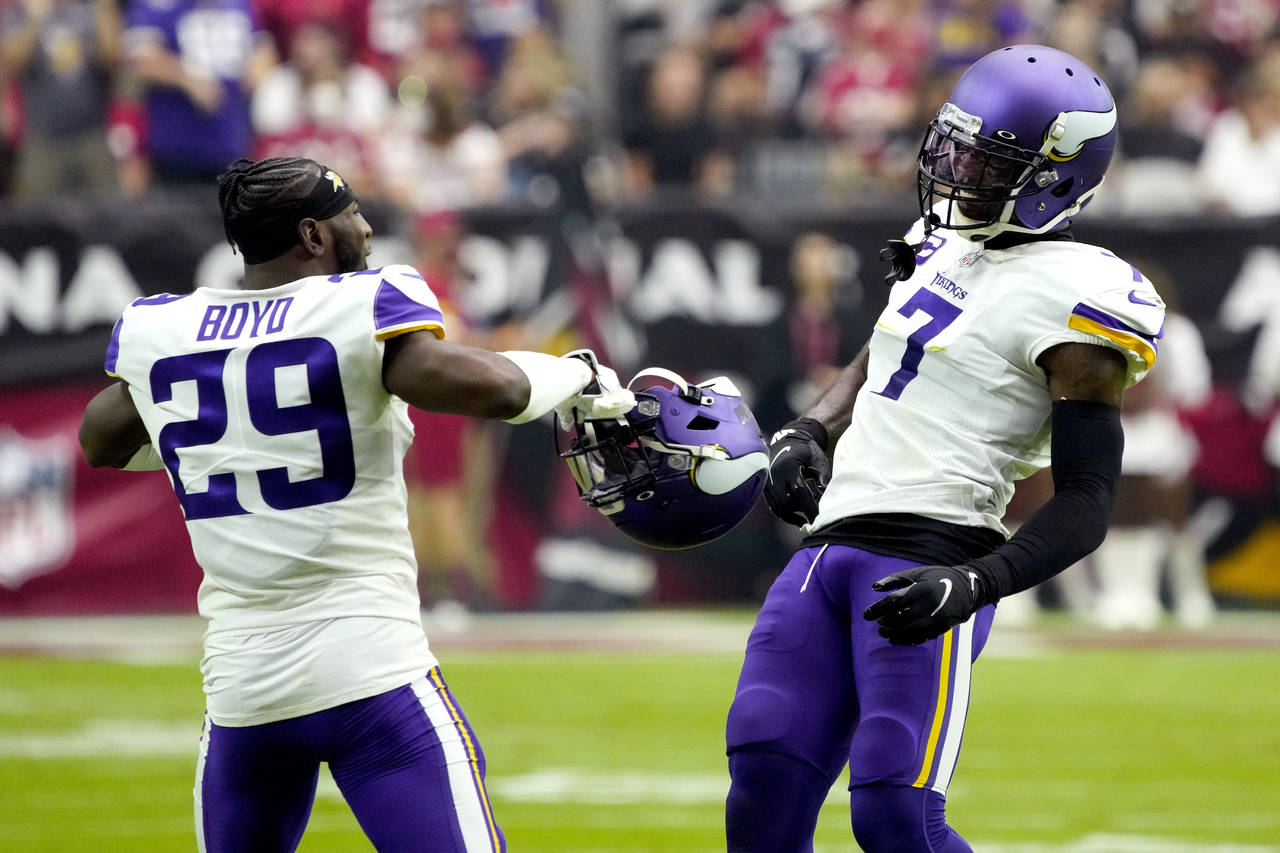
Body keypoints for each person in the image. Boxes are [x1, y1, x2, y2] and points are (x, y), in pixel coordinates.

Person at [77, 156, 632, 852]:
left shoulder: (169, 328)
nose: (365, 228)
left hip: (245, 696)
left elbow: (100, 439)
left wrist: (220, 422)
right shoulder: (361, 302)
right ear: (312, 235)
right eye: (350, 214)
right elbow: (475, 386)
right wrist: (575, 375)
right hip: (370, 673)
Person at [726, 45, 1165, 852]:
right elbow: (884, 348)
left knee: (894, 816)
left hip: (933, 553)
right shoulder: (940, 237)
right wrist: (811, 428)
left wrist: (976, 582)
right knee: (763, 783)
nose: (954, 168)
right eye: (953, 144)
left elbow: (1086, 502)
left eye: (984, 158)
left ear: (1053, 177)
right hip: (828, 549)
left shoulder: (1083, 294)